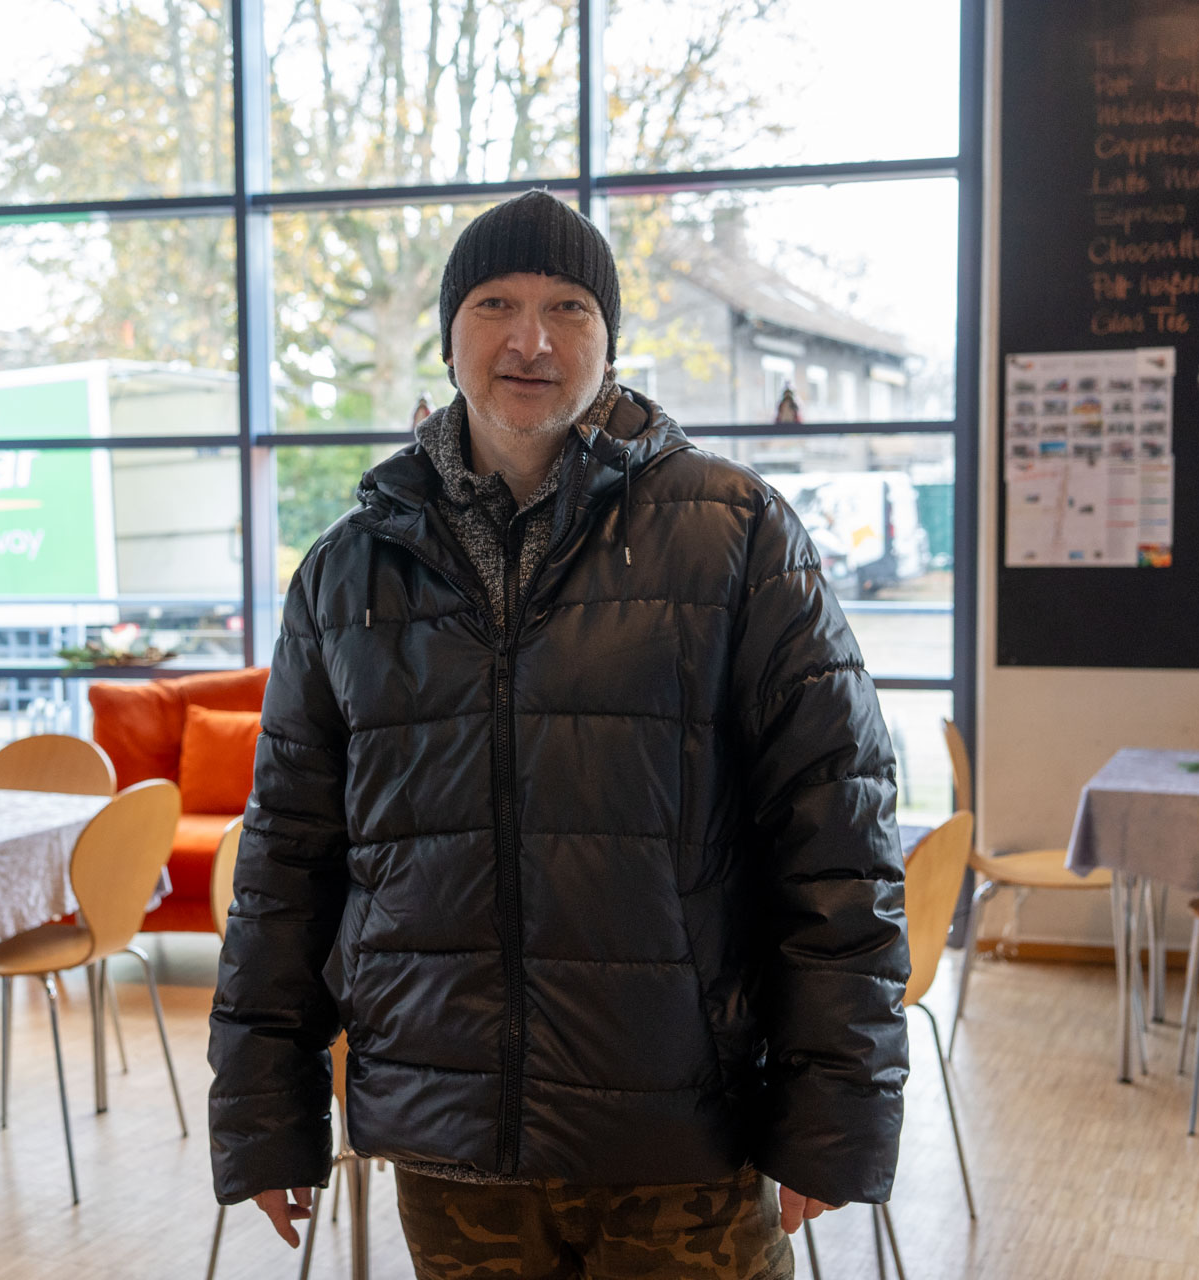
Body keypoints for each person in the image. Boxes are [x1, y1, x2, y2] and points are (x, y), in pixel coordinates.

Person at [209, 189, 908, 1280]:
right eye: (495, 303)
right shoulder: (347, 571)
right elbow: (288, 860)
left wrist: (835, 1105)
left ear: (608, 340)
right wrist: (265, 1108)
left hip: (682, 1129)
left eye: (568, 307)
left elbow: (838, 835)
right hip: (449, 1134)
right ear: (449, 336)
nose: (530, 340)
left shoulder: (736, 535)